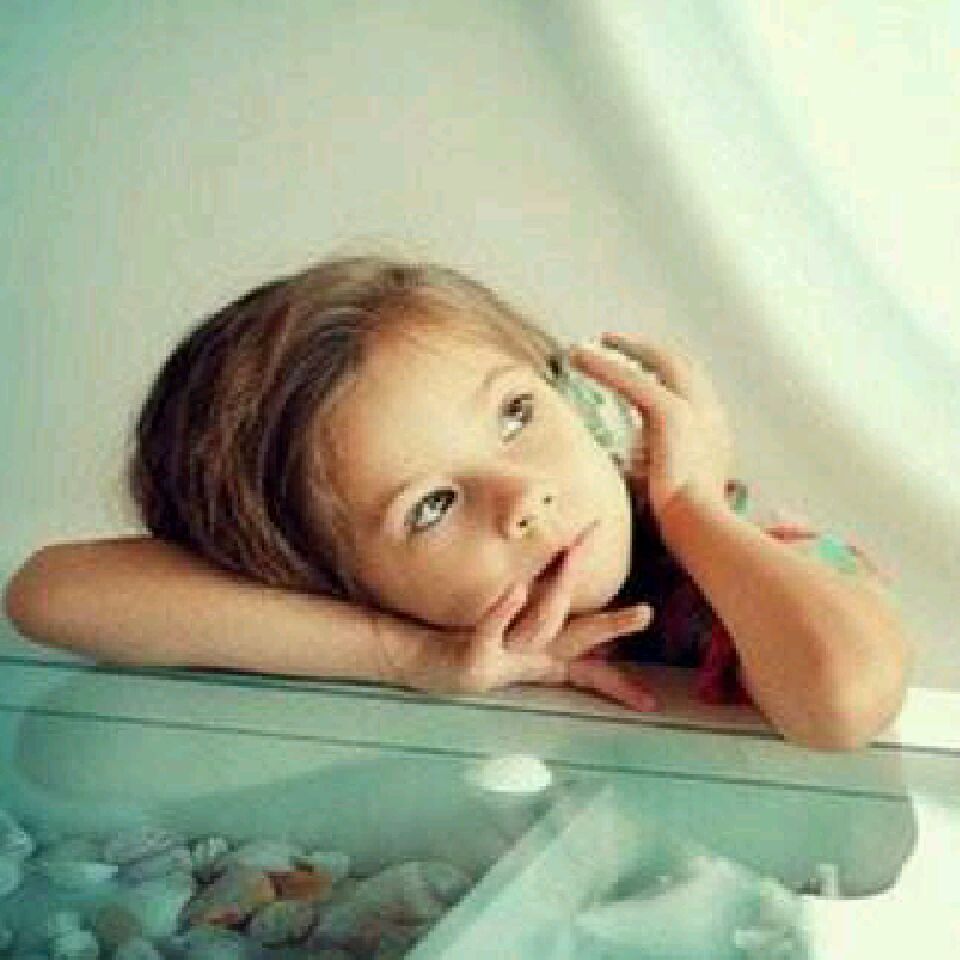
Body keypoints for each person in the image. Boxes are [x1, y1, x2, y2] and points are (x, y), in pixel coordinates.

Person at [3, 256, 911, 750]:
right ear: (329, 578)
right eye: (431, 506)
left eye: (516, 414)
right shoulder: (401, 614)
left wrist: (691, 502)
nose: (521, 498)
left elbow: (843, 701)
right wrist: (412, 655)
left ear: (586, 399)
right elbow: (51, 594)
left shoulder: (730, 562)